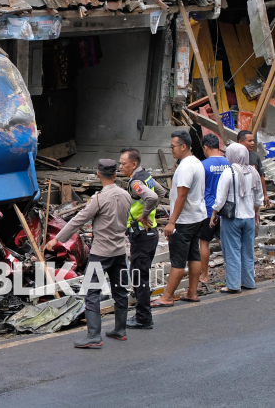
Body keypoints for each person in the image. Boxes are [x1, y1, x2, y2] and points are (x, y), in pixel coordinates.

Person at [45, 159, 131, 349]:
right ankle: (120, 330)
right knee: (120, 290)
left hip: (101, 254)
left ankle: (94, 336)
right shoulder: (126, 195)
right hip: (120, 251)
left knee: (92, 291)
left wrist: (56, 239)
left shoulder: (99, 199)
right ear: (116, 175)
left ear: (98, 175)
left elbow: (78, 220)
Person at [152, 130, 206, 307]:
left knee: (178, 259)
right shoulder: (197, 162)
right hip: (198, 216)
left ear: (183, 146)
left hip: (185, 220)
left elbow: (182, 195)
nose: (171, 150)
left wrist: (172, 221)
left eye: (173, 146)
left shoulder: (185, 167)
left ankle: (167, 297)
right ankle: (192, 292)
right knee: (194, 255)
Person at [118, 147, 165, 330]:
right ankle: (141, 314)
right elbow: (161, 192)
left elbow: (152, 196)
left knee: (139, 278)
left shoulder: (135, 182)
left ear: (134, 164)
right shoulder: (146, 176)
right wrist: (150, 211)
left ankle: (143, 318)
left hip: (142, 235)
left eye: (123, 164)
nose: (120, 167)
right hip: (151, 234)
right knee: (137, 274)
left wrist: (145, 214)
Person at [211, 143, 264, 293]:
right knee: (248, 252)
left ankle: (233, 285)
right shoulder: (253, 172)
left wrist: (214, 214)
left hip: (232, 218)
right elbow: (258, 198)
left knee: (232, 252)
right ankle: (248, 282)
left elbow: (220, 199)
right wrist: (255, 214)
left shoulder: (228, 172)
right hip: (249, 218)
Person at [200, 133, 229, 286]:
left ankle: (204, 276)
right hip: (225, 209)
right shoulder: (228, 163)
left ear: (205, 147)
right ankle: (231, 273)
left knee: (204, 242)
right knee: (224, 240)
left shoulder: (203, 165)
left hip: (208, 209)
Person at [237, 130, 270, 210]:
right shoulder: (233, 157)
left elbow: (261, 176)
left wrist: (265, 195)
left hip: (253, 197)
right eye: (250, 141)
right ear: (240, 142)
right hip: (238, 197)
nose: (253, 143)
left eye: (253, 141)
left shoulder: (255, 157)